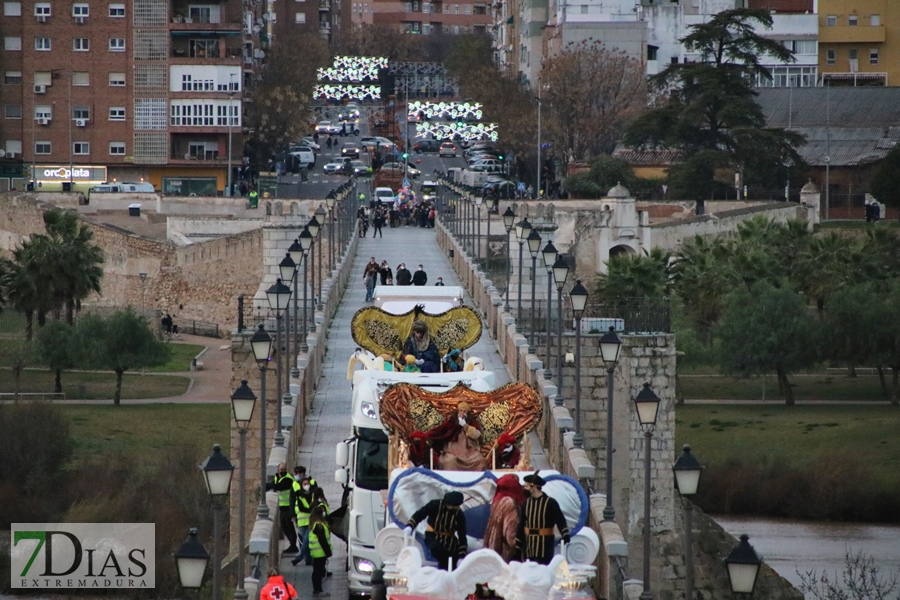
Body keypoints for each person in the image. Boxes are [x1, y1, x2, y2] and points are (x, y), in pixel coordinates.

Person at [515, 472, 570, 565]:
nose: (524, 489)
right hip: (529, 546)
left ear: (534, 487)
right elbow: (522, 525)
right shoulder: (526, 504)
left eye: (526, 486)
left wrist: (565, 534)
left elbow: (560, 520)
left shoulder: (550, 503)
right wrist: (518, 545)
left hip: (545, 546)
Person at [405, 491, 467, 571]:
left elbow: (462, 536)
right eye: (450, 505)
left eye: (455, 506)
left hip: (450, 540)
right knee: (437, 549)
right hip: (433, 535)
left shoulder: (460, 515)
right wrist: (410, 526)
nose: (452, 508)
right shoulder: (434, 505)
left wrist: (461, 556)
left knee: (452, 554)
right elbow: (420, 514)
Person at [426, 401, 486, 471]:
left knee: (480, 460)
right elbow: (440, 431)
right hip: (452, 452)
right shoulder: (451, 422)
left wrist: (465, 425)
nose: (462, 413)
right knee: (449, 461)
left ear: (468, 413)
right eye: (460, 411)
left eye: (464, 411)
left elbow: (477, 435)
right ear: (457, 412)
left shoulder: (472, 422)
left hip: (469, 453)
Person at [483, 474, 526, 562]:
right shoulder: (510, 503)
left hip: (493, 547)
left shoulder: (497, 501)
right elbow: (510, 533)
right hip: (506, 552)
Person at [268, 462, 299, 553]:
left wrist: (267, 486)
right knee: (284, 526)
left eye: (284, 469)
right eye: (281, 470)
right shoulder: (277, 477)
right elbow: (273, 484)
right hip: (283, 507)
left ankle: (293, 546)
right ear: (278, 470)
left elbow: (279, 487)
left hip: (289, 507)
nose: (283, 471)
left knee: (289, 527)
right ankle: (292, 544)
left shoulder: (288, 479)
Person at [308, 505, 333, 597]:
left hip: (316, 553)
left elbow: (331, 521)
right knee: (317, 573)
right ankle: (318, 590)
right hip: (320, 552)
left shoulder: (315, 523)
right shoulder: (319, 525)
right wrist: (328, 553)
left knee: (316, 572)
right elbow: (322, 540)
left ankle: (317, 590)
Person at [291, 476, 315, 566]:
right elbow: (301, 508)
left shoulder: (313, 494)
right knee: (304, 541)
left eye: (307, 484)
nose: (306, 485)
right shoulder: (299, 495)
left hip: (311, 521)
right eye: (304, 484)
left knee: (306, 540)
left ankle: (299, 557)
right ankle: (308, 559)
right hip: (301, 522)